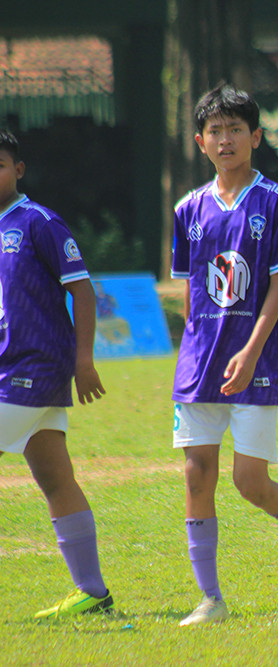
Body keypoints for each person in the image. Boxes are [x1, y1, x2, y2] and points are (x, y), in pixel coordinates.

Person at [170, 84, 278, 627]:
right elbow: (191, 289)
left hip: (257, 360)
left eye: (235, 129)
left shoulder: (275, 202)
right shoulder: (187, 208)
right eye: (215, 131)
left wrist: (249, 349)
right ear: (200, 141)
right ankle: (211, 599)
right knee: (198, 473)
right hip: (200, 363)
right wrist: (194, 354)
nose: (225, 140)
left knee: (249, 482)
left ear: (256, 137)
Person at [0, 129, 114, 619]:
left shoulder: (38, 222)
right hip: (14, 372)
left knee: (54, 475)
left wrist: (84, 361)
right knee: (54, 476)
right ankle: (92, 590)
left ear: (18, 169)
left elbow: (83, 291)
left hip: (34, 369)